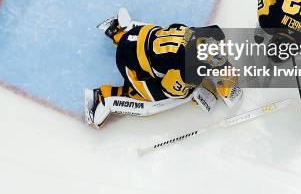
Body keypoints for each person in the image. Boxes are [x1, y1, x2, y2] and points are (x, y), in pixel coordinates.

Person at [84, 9, 242, 129]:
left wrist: (226, 75)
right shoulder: (188, 71)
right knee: (157, 98)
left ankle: (119, 32)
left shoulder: (202, 33)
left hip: (138, 34)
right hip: (128, 62)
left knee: (159, 42)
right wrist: (193, 91)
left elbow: (176, 28)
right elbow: (170, 90)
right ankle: (102, 96)